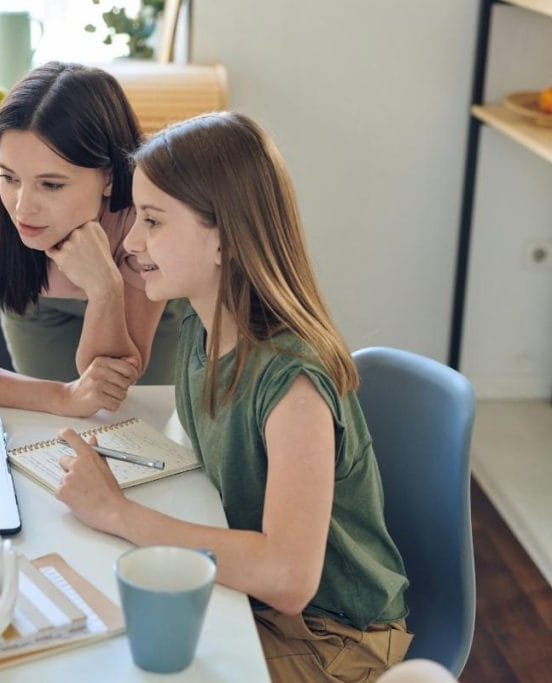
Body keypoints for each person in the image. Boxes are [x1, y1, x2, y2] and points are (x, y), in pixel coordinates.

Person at [56, 112, 413, 681]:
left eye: (152, 220)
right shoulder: (204, 324)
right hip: (257, 603)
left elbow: (290, 580)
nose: (130, 241)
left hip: (335, 637)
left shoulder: (292, 384)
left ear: (223, 236)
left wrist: (116, 512)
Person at [0, 62, 184, 418]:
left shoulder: (145, 204)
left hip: (142, 306)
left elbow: (114, 384)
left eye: (51, 184)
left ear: (111, 178)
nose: (22, 208)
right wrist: (61, 398)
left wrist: (105, 288)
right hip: (37, 306)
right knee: (50, 426)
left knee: (133, 420)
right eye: (10, 177)